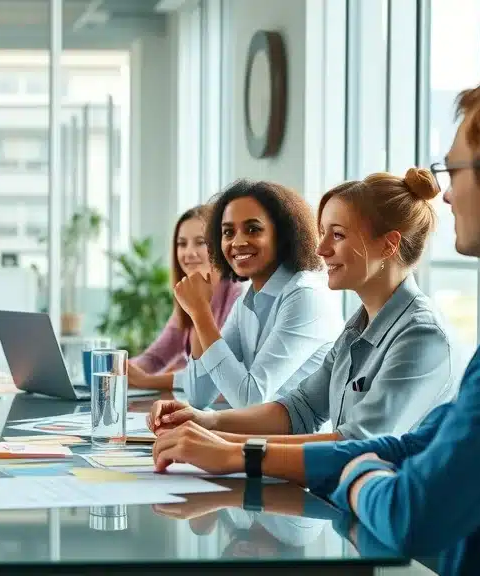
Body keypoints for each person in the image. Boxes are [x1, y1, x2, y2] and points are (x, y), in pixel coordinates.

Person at [152, 67, 480, 575]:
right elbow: (353, 426)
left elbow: (395, 487)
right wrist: (213, 429)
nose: (444, 194)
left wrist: (351, 468)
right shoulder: (365, 324)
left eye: (453, 172)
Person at [147, 169, 459, 449]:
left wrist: (233, 451)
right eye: (323, 233)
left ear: (388, 246)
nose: (321, 249)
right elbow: (300, 409)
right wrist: (206, 421)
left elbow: (360, 443)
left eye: (337, 234)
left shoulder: (421, 335)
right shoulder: (355, 329)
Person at [137, 180, 340, 408]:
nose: (238, 241)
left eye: (253, 229)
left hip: (298, 442)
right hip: (256, 437)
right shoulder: (247, 301)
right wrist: (197, 315)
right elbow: (198, 396)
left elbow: (250, 399)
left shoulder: (304, 296)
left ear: (282, 234)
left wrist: (201, 312)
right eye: (228, 232)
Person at [127, 205, 243, 390]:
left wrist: (148, 381)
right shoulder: (188, 298)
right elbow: (155, 358)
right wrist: (124, 369)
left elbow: (217, 374)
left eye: (200, 242)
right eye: (182, 244)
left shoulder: (238, 297)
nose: (189, 252)